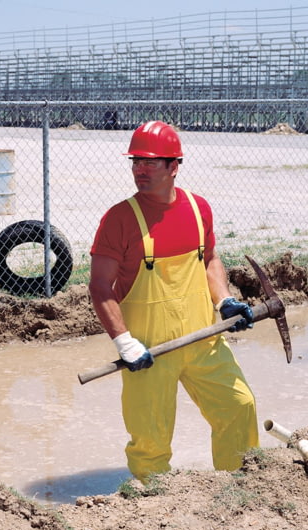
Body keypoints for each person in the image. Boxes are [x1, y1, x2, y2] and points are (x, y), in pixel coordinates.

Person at [88, 120, 260, 482]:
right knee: (150, 440)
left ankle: (240, 487)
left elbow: (209, 258)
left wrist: (225, 300)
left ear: (174, 165)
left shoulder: (198, 209)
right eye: (135, 161)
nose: (139, 169)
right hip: (149, 353)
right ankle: (154, 506)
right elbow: (100, 286)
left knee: (239, 406)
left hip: (203, 341)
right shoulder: (119, 219)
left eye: (150, 162)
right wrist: (124, 342)